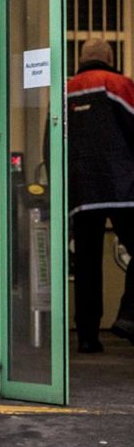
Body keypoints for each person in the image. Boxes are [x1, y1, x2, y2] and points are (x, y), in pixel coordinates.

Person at [67, 38, 134, 353]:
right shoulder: (118, 84)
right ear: (109, 57)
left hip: (82, 192)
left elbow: (52, 141)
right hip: (125, 190)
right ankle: (129, 315)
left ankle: (87, 337)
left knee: (87, 265)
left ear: (82, 58)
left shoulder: (64, 90)